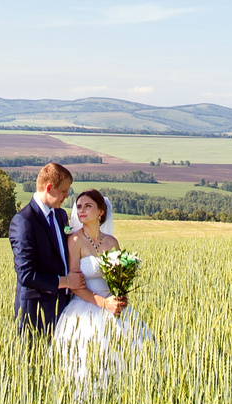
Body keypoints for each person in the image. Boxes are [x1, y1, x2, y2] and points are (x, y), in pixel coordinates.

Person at [50, 188, 137, 390]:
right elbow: (75, 284)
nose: (81, 210)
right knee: (87, 366)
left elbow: (118, 277)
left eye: (88, 206)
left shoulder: (111, 242)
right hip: (85, 307)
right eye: (79, 206)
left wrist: (119, 298)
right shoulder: (74, 240)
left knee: (121, 361)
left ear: (101, 211)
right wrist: (102, 303)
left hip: (113, 307)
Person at [9, 162, 81, 334]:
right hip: (35, 312)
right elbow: (26, 274)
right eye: (63, 191)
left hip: (64, 307)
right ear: (49, 188)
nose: (66, 196)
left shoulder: (60, 214)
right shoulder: (24, 221)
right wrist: (66, 281)